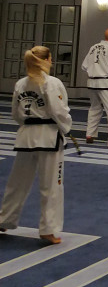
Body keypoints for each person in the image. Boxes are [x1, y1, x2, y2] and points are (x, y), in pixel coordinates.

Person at [0, 46, 72, 245]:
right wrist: (66, 128)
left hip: (26, 137)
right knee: (52, 185)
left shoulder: (20, 84)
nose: (52, 61)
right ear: (46, 60)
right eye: (50, 58)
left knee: (17, 182)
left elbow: (16, 114)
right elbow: (59, 111)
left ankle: (4, 219)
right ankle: (48, 229)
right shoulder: (53, 83)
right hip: (48, 137)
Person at [81, 27, 108, 147]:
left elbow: (84, 66)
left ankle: (90, 134)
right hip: (106, 84)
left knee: (94, 108)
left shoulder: (93, 47)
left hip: (92, 83)